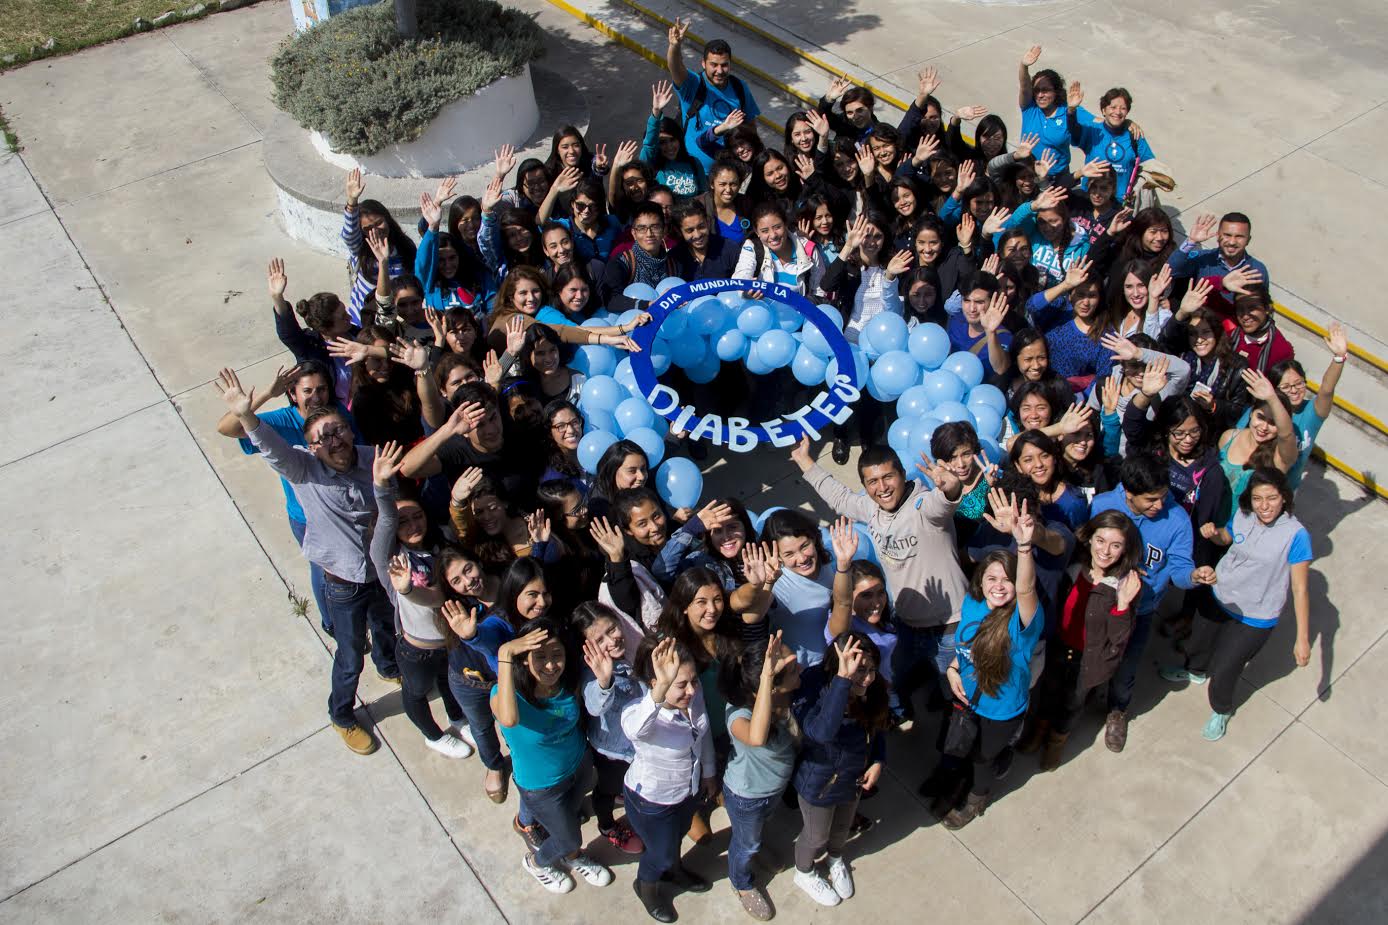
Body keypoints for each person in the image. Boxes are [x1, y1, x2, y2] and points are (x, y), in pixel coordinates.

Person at [215, 368, 398, 755]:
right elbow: (271, 447)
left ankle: (388, 666)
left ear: (349, 430)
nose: (334, 440)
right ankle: (342, 714)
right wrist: (247, 414)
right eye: (322, 437)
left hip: (381, 574)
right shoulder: (302, 468)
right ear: (310, 447)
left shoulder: (371, 459)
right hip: (343, 583)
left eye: (338, 431)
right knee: (350, 656)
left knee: (385, 627)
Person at [791, 440, 969, 722]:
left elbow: (943, 504)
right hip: (905, 624)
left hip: (948, 628)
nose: (882, 487)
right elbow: (840, 498)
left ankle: (955, 723)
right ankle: (899, 715)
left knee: (955, 688)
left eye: (888, 477)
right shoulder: (871, 507)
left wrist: (952, 488)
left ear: (902, 474)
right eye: (872, 481)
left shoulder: (923, 505)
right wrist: (804, 460)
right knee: (895, 677)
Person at [1162, 469, 1312, 741]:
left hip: (1257, 614)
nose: (1264, 506)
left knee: (1226, 668)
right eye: (1257, 498)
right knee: (1198, 643)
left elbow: (1300, 589)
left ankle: (1221, 708)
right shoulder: (1244, 515)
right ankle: (1195, 671)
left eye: (1272, 498)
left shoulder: (1296, 535)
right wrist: (1214, 533)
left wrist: (1302, 639)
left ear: (1284, 497)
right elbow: (1227, 537)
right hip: (1222, 594)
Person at [215, 360, 348, 636]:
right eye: (307, 391)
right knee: (324, 570)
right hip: (307, 516)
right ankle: (331, 623)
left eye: (321, 389)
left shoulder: (338, 417)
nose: (316, 397)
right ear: (293, 394)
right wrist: (265, 395)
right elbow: (228, 428)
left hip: (342, 507)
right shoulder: (281, 421)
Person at [1089, 453, 1207, 752]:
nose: (1159, 505)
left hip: (1140, 610)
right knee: (1089, 655)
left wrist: (1192, 576)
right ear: (1129, 493)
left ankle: (1118, 710)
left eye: (1163, 496)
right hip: (1098, 602)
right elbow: (1085, 547)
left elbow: (1180, 569)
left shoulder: (1177, 520)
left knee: (1127, 665)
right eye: (1151, 500)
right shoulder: (1102, 505)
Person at [938, 503, 1042, 829]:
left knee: (982, 759)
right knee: (962, 748)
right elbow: (965, 647)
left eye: (1007, 580)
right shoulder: (973, 603)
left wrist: (1023, 546)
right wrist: (953, 670)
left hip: (1001, 710)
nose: (998, 585)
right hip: (968, 699)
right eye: (991, 578)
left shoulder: (1022, 622)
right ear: (980, 581)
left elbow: (1026, 588)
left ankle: (976, 799)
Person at [492, 618, 615, 893]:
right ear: (523, 660)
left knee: (570, 815)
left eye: (557, 655)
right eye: (540, 656)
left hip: (578, 765)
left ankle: (568, 854)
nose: (550, 665)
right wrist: (505, 652)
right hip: (541, 787)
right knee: (569, 838)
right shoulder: (505, 693)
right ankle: (537, 863)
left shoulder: (566, 683)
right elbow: (509, 719)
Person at [369, 443, 473, 758]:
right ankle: (433, 735)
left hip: (450, 639)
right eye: (404, 522)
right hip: (417, 649)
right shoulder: (390, 557)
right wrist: (381, 486)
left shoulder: (441, 541)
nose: (414, 525)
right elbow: (387, 520)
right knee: (415, 693)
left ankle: (457, 718)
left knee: (450, 681)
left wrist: (458, 499)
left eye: (417, 517)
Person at [1030, 510, 1144, 769]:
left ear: (1125, 549)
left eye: (1116, 545)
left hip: (1089, 660)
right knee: (1048, 693)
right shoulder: (1072, 568)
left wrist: (1123, 605)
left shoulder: (1124, 585)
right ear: (1090, 538)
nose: (1105, 551)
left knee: (1072, 704)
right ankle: (1039, 730)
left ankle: (1057, 740)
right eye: (1100, 540)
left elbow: (1119, 638)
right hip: (1059, 648)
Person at [622, 636, 717, 922]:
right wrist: (661, 690)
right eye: (681, 684)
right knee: (660, 854)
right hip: (652, 802)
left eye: (694, 681)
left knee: (678, 836)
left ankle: (674, 872)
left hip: (687, 791)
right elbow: (634, 730)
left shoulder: (693, 697)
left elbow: (703, 735)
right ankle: (646, 887)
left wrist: (709, 772)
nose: (691, 690)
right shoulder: (639, 714)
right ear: (657, 684)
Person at [790, 633, 889, 907]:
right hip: (819, 785)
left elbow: (878, 725)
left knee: (842, 828)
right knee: (816, 835)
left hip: (852, 779)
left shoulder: (873, 689)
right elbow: (821, 732)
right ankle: (804, 872)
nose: (867, 679)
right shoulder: (812, 688)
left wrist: (878, 760)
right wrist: (843, 682)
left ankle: (835, 858)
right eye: (860, 670)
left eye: (871, 670)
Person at [719, 633, 802, 921]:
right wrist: (767, 677)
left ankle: (754, 844)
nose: (800, 668)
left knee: (757, 829)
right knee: (745, 843)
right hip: (747, 797)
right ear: (768, 687)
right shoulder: (738, 714)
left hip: (773, 790)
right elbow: (757, 737)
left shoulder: (787, 696)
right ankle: (741, 882)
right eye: (792, 669)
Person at [573, 601, 646, 854]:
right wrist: (604, 681)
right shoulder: (593, 672)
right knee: (607, 789)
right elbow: (594, 705)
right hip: (613, 753)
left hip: (636, 745)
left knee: (627, 784)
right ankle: (607, 825)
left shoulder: (633, 648)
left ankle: (621, 794)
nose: (612, 640)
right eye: (599, 640)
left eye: (612, 629)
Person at [1253, 323, 1350, 488]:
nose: (1294, 390)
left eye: (1299, 384)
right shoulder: (1262, 410)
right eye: (1286, 387)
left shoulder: (1312, 412)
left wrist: (1339, 358)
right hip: (1254, 483)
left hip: (1287, 489)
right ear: (1273, 389)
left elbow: (1326, 389)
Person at [666, 19, 761, 171]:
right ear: (703, 63)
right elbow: (675, 67)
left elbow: (750, 128)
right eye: (714, 65)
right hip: (693, 172)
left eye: (724, 65)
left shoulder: (739, 87)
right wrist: (674, 47)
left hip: (728, 174)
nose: (719, 71)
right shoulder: (693, 84)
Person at [1067, 85, 1154, 201]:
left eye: (1123, 108)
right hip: (1091, 198)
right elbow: (1074, 131)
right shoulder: (1093, 130)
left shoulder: (1135, 135)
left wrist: (1136, 189)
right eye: (1113, 107)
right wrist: (1071, 111)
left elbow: (1150, 166)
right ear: (1104, 110)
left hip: (1120, 202)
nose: (1117, 112)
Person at [1167, 211, 1270, 294]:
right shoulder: (1203, 258)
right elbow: (1170, 271)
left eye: (1239, 236)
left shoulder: (1258, 269)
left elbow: (1263, 304)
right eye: (1227, 235)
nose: (1232, 242)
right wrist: (1191, 241)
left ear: (1248, 240)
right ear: (1217, 235)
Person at [1016, 46, 1073, 181]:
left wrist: (1123, 124)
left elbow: (1096, 122)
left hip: (1058, 178)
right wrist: (1024, 66)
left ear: (1056, 91)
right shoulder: (1030, 109)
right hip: (1028, 176)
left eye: (1046, 90)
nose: (1040, 95)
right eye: (1037, 90)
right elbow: (1024, 87)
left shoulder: (1067, 111)